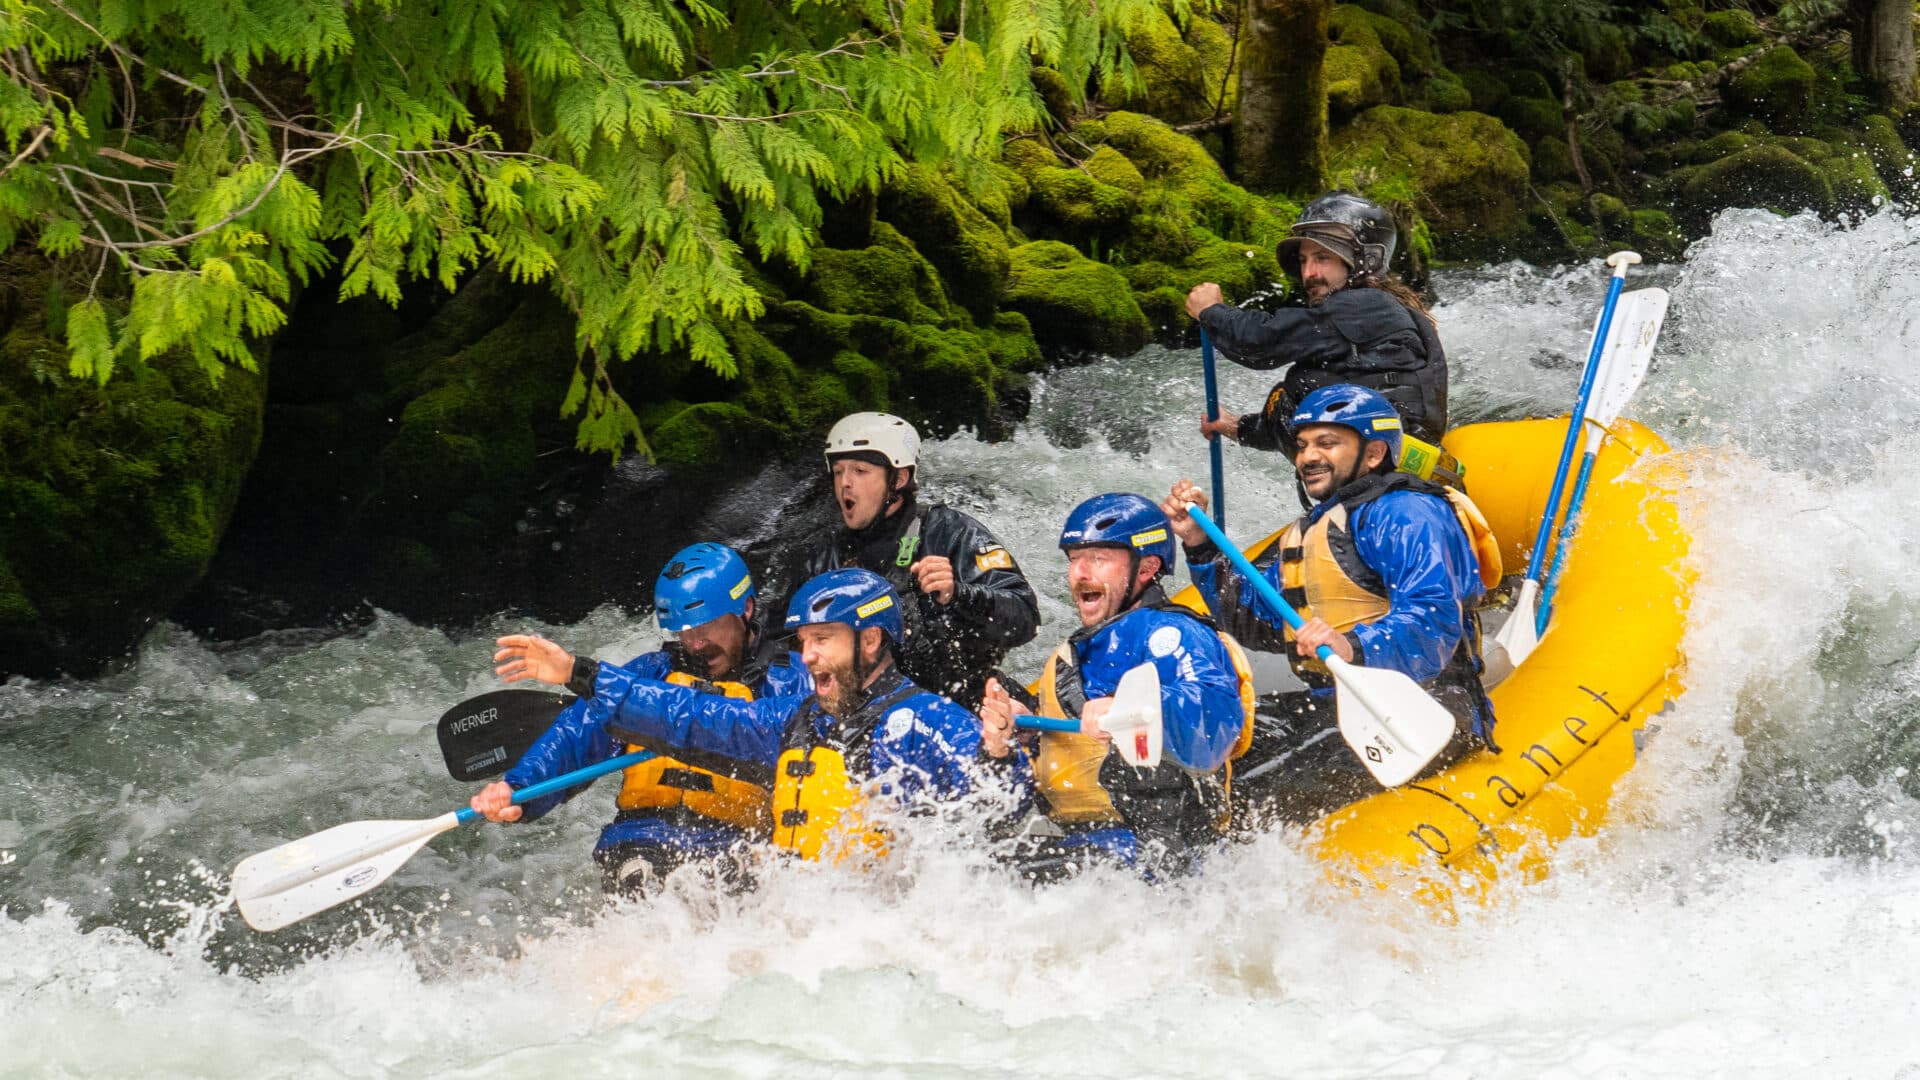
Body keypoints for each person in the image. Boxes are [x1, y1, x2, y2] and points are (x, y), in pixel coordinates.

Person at [1163, 385, 1503, 824]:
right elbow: (1257, 622)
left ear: (1375, 453)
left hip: (1429, 705)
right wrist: (1200, 545)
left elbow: (1431, 620)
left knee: (1249, 789)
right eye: (1303, 445)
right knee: (1212, 746)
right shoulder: (1318, 528)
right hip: (1336, 704)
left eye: (1327, 443)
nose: (1307, 457)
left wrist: (1352, 646)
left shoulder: (1407, 513)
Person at [583, 568, 1021, 863]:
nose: (807, 657)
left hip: (867, 932)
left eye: (823, 639)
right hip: (794, 921)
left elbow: (1003, 812)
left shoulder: (924, 720)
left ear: (869, 640)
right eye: (804, 641)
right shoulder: (796, 719)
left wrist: (998, 755)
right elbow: (691, 717)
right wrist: (582, 676)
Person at [471, 543, 811, 894]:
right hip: (642, 839)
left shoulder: (790, 681)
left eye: (707, 626)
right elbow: (576, 736)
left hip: (738, 842)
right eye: (685, 630)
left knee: (726, 887)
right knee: (642, 887)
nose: (695, 643)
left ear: (746, 609)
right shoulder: (648, 675)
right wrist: (518, 790)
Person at [976, 494, 1255, 880]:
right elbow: (1034, 788)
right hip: (1080, 841)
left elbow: (1212, 720)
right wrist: (1013, 742)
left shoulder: (1170, 632)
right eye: (1075, 559)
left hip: (1158, 850)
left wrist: (1135, 708)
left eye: (1099, 559)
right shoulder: (1071, 654)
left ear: (1147, 568)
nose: (1080, 573)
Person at [798, 411, 1041, 709]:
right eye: (838, 472)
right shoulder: (826, 556)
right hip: (869, 713)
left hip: (963, 706)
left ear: (898, 478)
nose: (845, 483)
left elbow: (1025, 620)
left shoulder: (950, 533)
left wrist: (959, 595)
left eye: (860, 471)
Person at [1184, 191, 1451, 457]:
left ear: (1364, 262)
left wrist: (1211, 311)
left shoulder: (1364, 307)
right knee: (1293, 392)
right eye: (1303, 260)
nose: (1309, 273)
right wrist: (1235, 427)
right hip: (1375, 470)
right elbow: (1307, 415)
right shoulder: (1365, 318)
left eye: (1322, 258)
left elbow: (1259, 340)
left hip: (1388, 478)